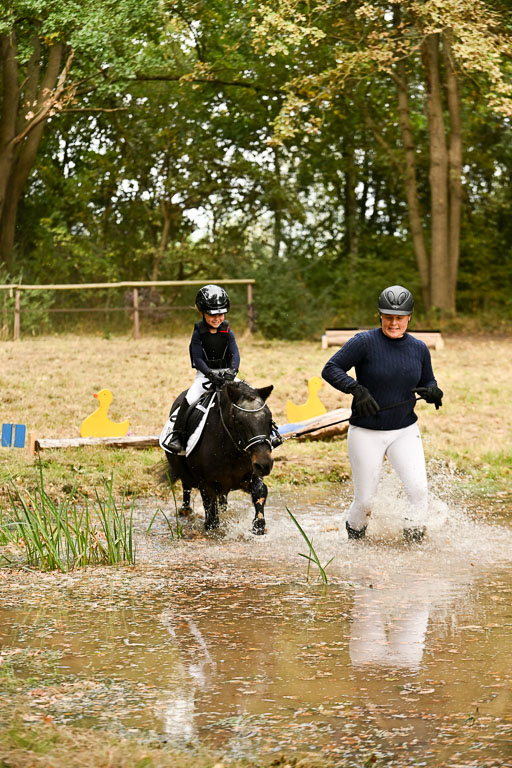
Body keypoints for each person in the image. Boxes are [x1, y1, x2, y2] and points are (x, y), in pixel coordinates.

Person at [321, 284, 443, 542]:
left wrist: (433, 391)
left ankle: (413, 547)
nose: (394, 323)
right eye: (388, 317)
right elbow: (331, 368)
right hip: (366, 431)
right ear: (380, 315)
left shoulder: (419, 348)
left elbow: (429, 380)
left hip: (404, 431)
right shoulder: (364, 342)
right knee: (365, 501)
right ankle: (355, 545)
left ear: (409, 317)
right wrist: (355, 389)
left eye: (399, 317)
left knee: (418, 491)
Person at [166, 284, 240, 453]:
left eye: (220, 314)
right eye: (212, 314)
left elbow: (235, 353)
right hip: (205, 375)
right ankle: (177, 436)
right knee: (190, 398)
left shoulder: (227, 331)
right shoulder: (198, 333)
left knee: (250, 394)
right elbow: (197, 358)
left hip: (227, 374)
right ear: (202, 312)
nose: (217, 318)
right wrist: (209, 374)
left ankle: (269, 432)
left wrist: (233, 371)